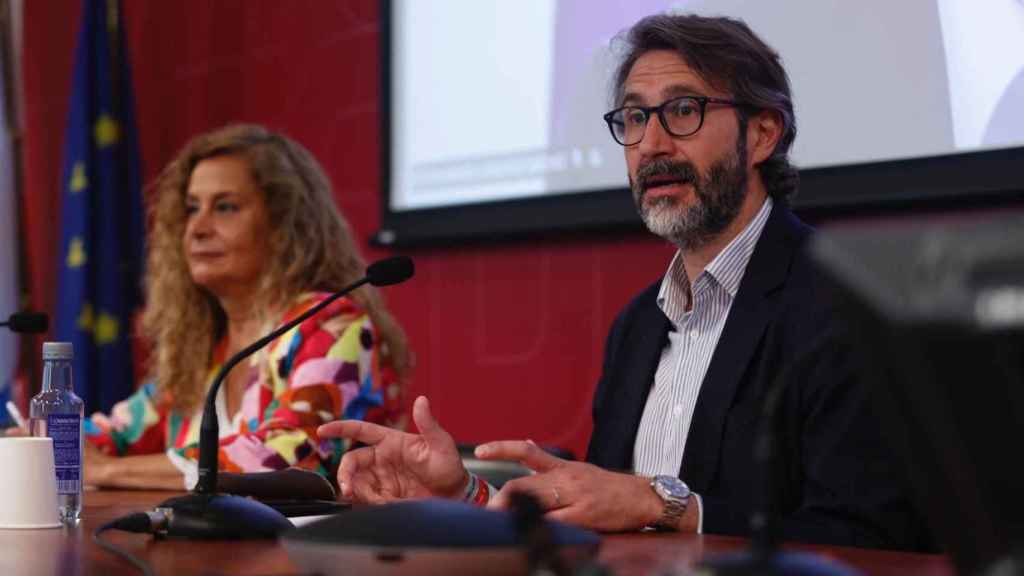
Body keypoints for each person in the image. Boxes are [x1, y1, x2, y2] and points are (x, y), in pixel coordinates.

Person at [318, 14, 930, 550]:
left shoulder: (847, 299)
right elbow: (604, 516)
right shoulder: (639, 325)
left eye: (683, 111)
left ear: (763, 134)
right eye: (635, 117)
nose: (651, 145)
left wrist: (667, 507)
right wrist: (464, 495)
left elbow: (876, 539)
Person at [78, 124, 410, 490]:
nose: (197, 228)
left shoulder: (334, 327)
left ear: (284, 225)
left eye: (225, 207)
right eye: (191, 208)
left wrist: (105, 471)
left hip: (320, 545)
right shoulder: (204, 352)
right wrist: (41, 439)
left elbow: (289, 455)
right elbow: (114, 433)